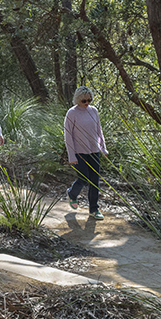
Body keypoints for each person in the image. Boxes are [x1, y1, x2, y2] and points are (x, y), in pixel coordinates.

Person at [64, 86, 109, 220]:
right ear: (78, 99)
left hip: (93, 151)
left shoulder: (94, 111)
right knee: (84, 178)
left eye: (89, 100)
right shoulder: (72, 113)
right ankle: (72, 194)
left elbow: (99, 131)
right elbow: (68, 135)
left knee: (95, 181)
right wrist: (71, 156)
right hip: (79, 152)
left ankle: (94, 209)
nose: (87, 103)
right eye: (84, 100)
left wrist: (103, 148)